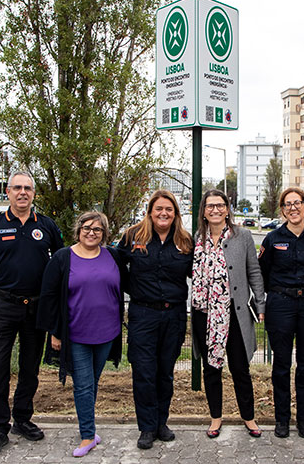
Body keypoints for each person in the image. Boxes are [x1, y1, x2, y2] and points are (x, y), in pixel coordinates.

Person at [0, 171, 64, 452]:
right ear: (8, 192)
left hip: (36, 308)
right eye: (17, 188)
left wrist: (54, 303)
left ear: (33, 193)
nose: (23, 192)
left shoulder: (46, 225)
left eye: (28, 188)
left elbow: (62, 264)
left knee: (30, 368)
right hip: (4, 307)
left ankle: (22, 418)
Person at [37, 212, 126, 457]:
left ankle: (89, 428)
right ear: (78, 230)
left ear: (104, 233)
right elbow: (49, 297)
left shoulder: (113, 257)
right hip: (76, 335)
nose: (91, 233)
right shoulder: (62, 258)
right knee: (83, 386)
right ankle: (87, 435)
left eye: (97, 229)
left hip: (107, 333)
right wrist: (55, 333)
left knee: (92, 383)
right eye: (86, 228)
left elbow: (125, 285)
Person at [117, 190, 193, 450]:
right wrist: (133, 288)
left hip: (174, 316)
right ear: (149, 211)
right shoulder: (132, 237)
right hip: (143, 315)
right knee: (144, 373)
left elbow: (197, 273)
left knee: (165, 373)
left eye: (169, 209)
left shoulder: (185, 241)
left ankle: (162, 423)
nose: (163, 213)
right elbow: (116, 267)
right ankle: (147, 427)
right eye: (159, 208)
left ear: (175, 214)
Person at [190, 189, 265, 439]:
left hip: (234, 311)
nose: (215, 210)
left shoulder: (242, 236)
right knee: (211, 368)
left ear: (227, 209)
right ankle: (215, 418)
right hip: (204, 312)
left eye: (220, 205)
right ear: (203, 211)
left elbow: (254, 271)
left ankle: (249, 417)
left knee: (240, 368)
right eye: (210, 206)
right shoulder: (197, 238)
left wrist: (261, 304)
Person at [259, 187, 304, 439]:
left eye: (297, 203)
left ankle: (303, 420)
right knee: (281, 364)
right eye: (287, 204)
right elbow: (262, 272)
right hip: (281, 304)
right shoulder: (272, 239)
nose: (293, 208)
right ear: (282, 210)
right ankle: (282, 419)